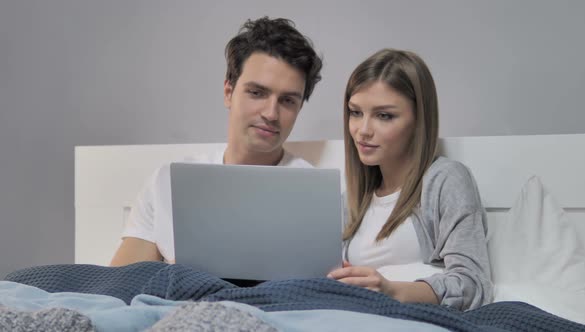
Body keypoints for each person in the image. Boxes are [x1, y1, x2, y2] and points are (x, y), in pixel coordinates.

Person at [110, 17, 323, 266]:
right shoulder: (168, 183)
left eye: (288, 100)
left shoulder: (317, 195)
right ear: (228, 92)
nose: (271, 113)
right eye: (257, 93)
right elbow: (120, 285)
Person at [327, 49, 492, 310]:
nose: (363, 130)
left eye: (384, 116)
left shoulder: (445, 180)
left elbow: (473, 284)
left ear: (418, 120)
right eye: (355, 112)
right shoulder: (351, 199)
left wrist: (390, 290)